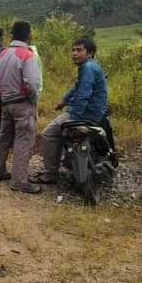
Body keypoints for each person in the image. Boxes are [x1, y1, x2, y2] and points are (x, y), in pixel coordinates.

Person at [33, 38, 108, 185]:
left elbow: (83, 96)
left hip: (85, 114)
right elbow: (76, 88)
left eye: (79, 50)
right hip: (96, 112)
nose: (74, 53)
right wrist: (63, 101)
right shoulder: (91, 66)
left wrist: (73, 119)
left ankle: (50, 174)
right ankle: (66, 163)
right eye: (73, 50)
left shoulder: (88, 68)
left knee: (48, 134)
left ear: (90, 53)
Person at [0, 21, 42, 194]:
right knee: (24, 140)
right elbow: (33, 84)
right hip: (22, 103)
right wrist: (33, 100)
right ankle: (19, 182)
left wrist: (4, 96)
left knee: (3, 138)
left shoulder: (1, 55)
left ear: (12, 35)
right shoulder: (28, 55)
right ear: (28, 35)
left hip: (6, 104)